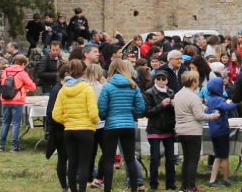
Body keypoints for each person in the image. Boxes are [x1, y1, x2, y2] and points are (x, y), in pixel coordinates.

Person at [97, 59, 145, 192]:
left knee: (109, 159)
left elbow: (102, 108)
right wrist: (130, 113)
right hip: (128, 124)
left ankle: (107, 189)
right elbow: (141, 107)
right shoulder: (133, 86)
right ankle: (134, 188)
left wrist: (106, 116)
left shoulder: (107, 86)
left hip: (111, 125)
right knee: (130, 159)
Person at [54, 60, 100, 192]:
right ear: (84, 72)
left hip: (70, 129)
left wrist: (67, 121)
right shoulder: (87, 89)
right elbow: (93, 113)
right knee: (84, 163)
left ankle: (72, 189)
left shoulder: (63, 90)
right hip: (85, 129)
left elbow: (56, 114)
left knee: (72, 162)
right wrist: (93, 123)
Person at [177, 69, 220, 192]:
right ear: (193, 82)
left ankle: (184, 185)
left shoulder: (178, 94)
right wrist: (212, 116)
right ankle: (191, 186)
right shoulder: (193, 97)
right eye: (197, 81)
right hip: (192, 131)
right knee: (193, 159)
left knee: (186, 158)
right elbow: (198, 116)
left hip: (181, 130)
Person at [145, 67, 178, 191]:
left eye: (163, 79)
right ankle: (153, 184)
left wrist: (174, 105)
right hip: (154, 129)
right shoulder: (149, 93)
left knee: (170, 158)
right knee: (155, 159)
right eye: (158, 78)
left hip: (168, 128)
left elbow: (175, 113)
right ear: (155, 80)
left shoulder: (171, 93)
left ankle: (170, 183)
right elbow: (147, 112)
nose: (161, 81)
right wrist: (161, 105)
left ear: (167, 80)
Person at [0, 53, 36, 153]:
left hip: (5, 100)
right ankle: (14, 145)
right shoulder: (22, 73)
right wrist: (24, 88)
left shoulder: (5, 72)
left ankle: (1, 145)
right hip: (17, 100)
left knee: (5, 123)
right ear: (23, 64)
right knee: (15, 123)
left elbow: (3, 84)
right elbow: (33, 87)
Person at [207, 76, 240, 187]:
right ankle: (226, 179)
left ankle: (212, 180)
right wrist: (236, 101)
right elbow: (227, 107)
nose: (224, 87)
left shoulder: (210, 99)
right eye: (223, 86)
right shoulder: (219, 99)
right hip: (222, 131)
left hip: (213, 132)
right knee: (225, 156)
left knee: (218, 156)